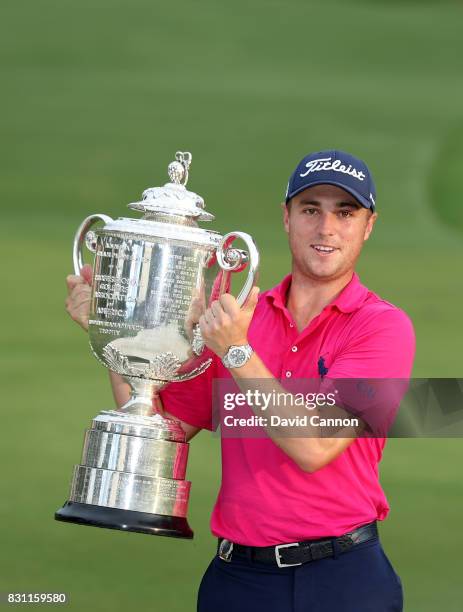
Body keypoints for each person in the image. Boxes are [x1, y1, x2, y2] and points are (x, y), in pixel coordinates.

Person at [66, 150, 415, 612]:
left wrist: (236, 351)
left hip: (341, 580)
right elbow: (165, 422)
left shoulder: (380, 327)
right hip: (237, 579)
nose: (326, 228)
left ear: (367, 225)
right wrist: (113, 334)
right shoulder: (238, 315)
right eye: (311, 210)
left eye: (345, 213)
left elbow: (313, 446)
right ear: (286, 218)